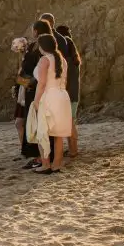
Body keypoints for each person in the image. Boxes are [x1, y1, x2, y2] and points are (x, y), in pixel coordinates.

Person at [29, 34, 72, 174]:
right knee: (58, 134)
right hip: (62, 96)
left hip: (49, 96)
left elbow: (41, 84)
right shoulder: (62, 60)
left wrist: (36, 101)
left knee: (43, 131)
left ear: (42, 46)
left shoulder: (44, 60)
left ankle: (46, 164)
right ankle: (57, 164)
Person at [20, 20, 52, 169]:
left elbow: (39, 73)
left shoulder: (42, 48)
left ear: (37, 31)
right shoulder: (42, 46)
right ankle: (41, 156)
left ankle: (40, 158)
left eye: (33, 29)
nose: (32, 32)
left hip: (36, 90)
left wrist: (26, 83)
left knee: (37, 124)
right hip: (34, 89)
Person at [56, 25, 83, 157]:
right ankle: (73, 148)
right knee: (71, 122)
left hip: (67, 95)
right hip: (74, 95)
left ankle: (73, 150)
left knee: (70, 123)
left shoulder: (66, 61)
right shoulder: (75, 59)